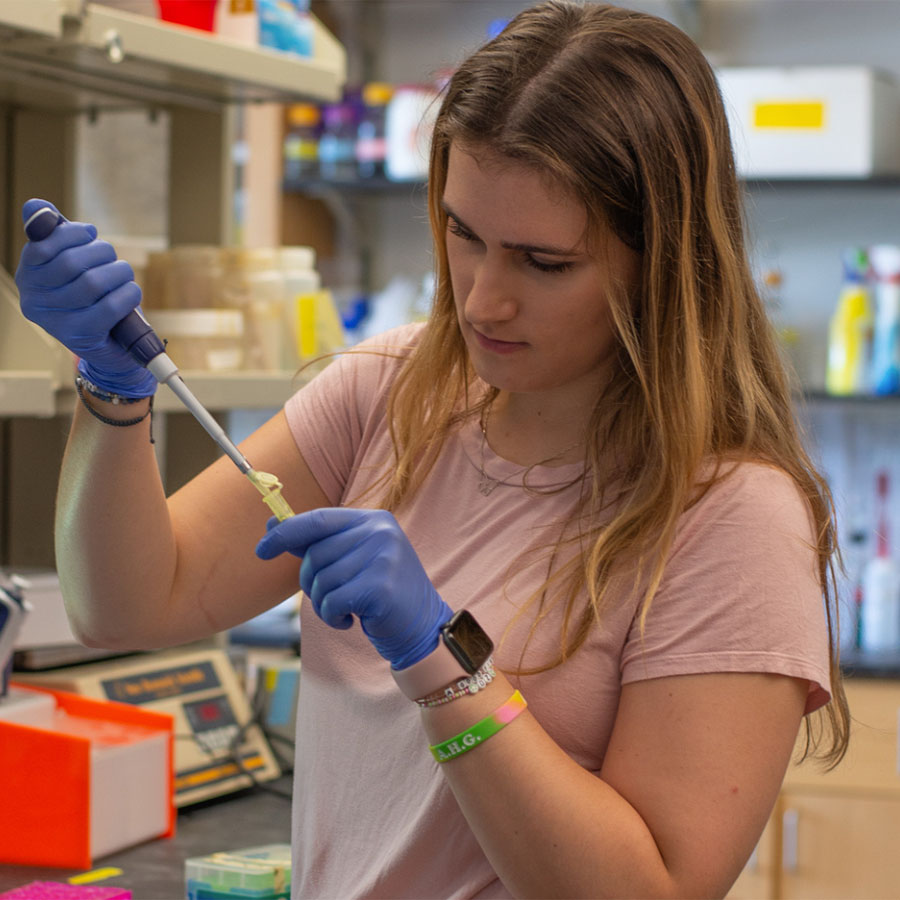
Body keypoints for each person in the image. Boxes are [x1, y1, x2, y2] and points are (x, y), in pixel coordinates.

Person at [16, 2, 849, 897]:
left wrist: (441, 659)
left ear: (667, 259)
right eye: (463, 233)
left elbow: (651, 890)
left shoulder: (731, 515)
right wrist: (111, 386)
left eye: (542, 261)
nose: (483, 300)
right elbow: (128, 605)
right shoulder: (392, 388)